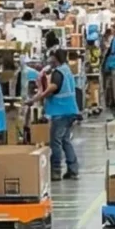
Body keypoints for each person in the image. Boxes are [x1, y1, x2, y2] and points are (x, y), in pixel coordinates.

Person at [42, 46, 82, 181]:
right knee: (65, 141)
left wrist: (39, 97)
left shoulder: (58, 72)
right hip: (71, 111)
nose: (49, 60)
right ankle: (73, 169)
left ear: (55, 58)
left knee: (56, 142)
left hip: (60, 112)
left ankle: (56, 171)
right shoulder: (67, 70)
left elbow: (53, 87)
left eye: (51, 57)